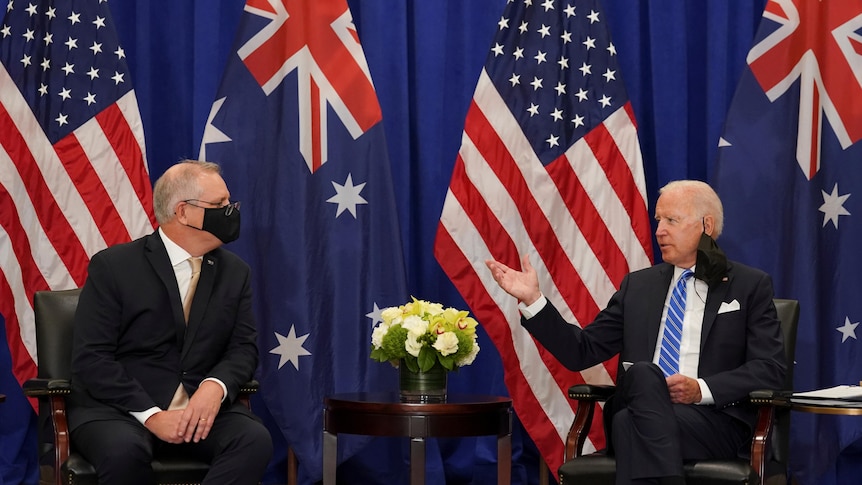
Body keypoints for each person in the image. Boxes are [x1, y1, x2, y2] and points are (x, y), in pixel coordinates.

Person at [485, 180, 786, 485]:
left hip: (712, 420)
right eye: (658, 220)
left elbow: (770, 369)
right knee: (643, 375)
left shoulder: (749, 286)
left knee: (631, 424)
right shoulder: (638, 287)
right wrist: (534, 301)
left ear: (706, 225)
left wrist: (701, 389)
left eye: (672, 220)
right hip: (644, 406)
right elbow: (581, 351)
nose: (659, 231)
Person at [68, 160, 272, 485]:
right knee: (123, 451)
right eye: (219, 204)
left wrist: (214, 387)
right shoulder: (114, 267)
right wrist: (152, 415)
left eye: (229, 203)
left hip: (199, 407)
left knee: (253, 439)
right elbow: (92, 358)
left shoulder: (235, 272)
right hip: (120, 409)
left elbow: (243, 349)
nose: (231, 211)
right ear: (183, 212)